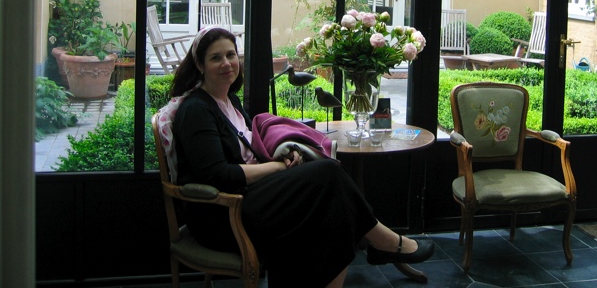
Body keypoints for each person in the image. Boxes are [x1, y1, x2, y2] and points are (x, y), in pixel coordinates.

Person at [170, 26, 435, 288]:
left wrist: (282, 159)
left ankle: (381, 243)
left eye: (230, 55)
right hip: (223, 216)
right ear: (200, 64)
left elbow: (248, 153)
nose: (227, 63)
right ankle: (385, 241)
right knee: (328, 174)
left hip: (251, 198)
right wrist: (276, 168)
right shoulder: (197, 110)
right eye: (216, 58)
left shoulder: (231, 102)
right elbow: (219, 176)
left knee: (333, 209)